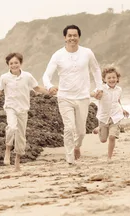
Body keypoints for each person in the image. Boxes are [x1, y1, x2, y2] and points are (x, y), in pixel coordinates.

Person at [42, 24, 103, 165]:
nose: (72, 38)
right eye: (69, 35)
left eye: (75, 35)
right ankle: (69, 159)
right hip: (64, 97)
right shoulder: (57, 55)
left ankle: (77, 146)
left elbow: (96, 70)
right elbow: (46, 75)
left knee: (81, 132)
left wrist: (99, 87)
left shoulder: (87, 53)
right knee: (68, 128)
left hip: (83, 97)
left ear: (79, 37)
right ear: (65, 37)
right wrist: (49, 86)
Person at [0, 52, 48, 171]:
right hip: (10, 108)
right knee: (11, 127)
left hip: (23, 110)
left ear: (20, 63)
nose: (14, 65)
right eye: (11, 63)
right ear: (8, 65)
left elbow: (37, 88)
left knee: (21, 137)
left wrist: (50, 92)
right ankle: (7, 149)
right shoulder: (4, 77)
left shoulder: (27, 76)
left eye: (16, 63)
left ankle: (17, 163)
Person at [92, 66, 129, 160]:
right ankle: (99, 128)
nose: (111, 79)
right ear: (104, 79)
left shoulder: (119, 89)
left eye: (113, 77)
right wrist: (95, 95)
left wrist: (122, 109)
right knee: (103, 140)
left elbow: (118, 100)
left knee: (112, 137)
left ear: (117, 78)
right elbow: (91, 93)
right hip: (103, 117)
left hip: (116, 116)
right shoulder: (101, 89)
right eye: (109, 78)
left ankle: (109, 157)